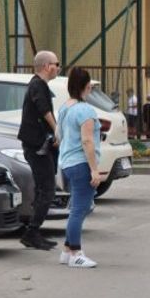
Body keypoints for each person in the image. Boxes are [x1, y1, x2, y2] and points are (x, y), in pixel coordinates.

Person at [56, 67, 103, 268]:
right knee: (80, 208)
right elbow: (87, 141)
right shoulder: (86, 110)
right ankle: (76, 252)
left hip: (67, 162)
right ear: (86, 86)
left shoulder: (65, 107)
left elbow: (59, 136)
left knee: (77, 206)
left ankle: (67, 251)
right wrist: (94, 169)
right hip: (81, 163)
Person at [17, 50, 60, 251]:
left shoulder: (38, 85)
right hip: (37, 147)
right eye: (56, 64)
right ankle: (32, 232)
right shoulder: (37, 85)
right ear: (46, 66)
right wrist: (57, 130)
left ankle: (33, 232)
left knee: (43, 188)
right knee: (47, 189)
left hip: (39, 145)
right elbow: (44, 110)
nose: (58, 68)